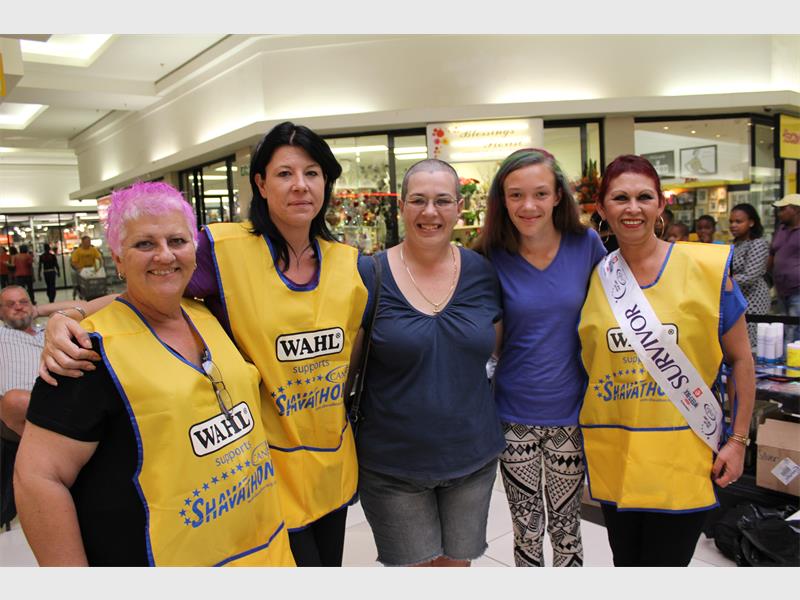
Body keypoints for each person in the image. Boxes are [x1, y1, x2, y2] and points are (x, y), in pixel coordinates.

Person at [40, 122, 367, 567]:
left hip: (331, 463)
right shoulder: (224, 252)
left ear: (326, 182)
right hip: (260, 470)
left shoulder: (349, 264)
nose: (300, 186)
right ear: (260, 184)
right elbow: (152, 288)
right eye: (284, 173)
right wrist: (72, 315)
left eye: (312, 173)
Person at [14, 182, 294, 566]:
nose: (165, 255)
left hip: (265, 554)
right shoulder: (84, 353)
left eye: (177, 241)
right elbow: (37, 478)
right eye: (144, 244)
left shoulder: (209, 314)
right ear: (118, 258)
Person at [578, 155, 755, 567]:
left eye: (644, 197)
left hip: (682, 458)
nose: (633, 208)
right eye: (620, 198)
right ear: (602, 208)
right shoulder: (594, 276)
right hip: (617, 457)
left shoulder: (706, 269)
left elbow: (741, 360)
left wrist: (738, 441)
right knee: (627, 566)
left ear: (660, 204)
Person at [356, 158, 504, 567]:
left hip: (471, 457)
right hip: (392, 465)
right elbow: (350, 365)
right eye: (418, 200)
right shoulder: (369, 274)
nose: (430, 212)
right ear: (401, 206)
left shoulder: (482, 273)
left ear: (459, 207)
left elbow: (496, 349)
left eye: (442, 200)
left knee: (456, 569)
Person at [474, 149, 606, 567]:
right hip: (513, 414)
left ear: (557, 196)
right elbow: (490, 336)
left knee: (567, 530)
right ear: (502, 200)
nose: (528, 205)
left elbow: (607, 319)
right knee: (526, 532)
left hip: (572, 412)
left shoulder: (586, 245)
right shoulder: (489, 254)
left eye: (540, 193)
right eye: (516, 195)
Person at [0, 286, 97, 530]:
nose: (18, 307)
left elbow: (95, 305)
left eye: (23, 302)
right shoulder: (2, 335)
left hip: (66, 398)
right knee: (15, 400)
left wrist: (41, 311)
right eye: (11, 304)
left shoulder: (50, 330)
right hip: (24, 408)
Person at [729, 203, 770, 349]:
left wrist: (723, 280)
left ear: (751, 222)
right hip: (738, 296)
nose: (733, 225)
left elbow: (750, 276)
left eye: (738, 221)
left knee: (750, 341)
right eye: (731, 221)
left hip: (753, 297)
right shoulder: (735, 244)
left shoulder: (757, 244)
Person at [768, 193, 800, 345]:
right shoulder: (781, 229)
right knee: (784, 328)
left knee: (795, 329)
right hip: (781, 289)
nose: (779, 213)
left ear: (795, 210)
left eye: (783, 209)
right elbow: (772, 252)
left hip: (797, 290)